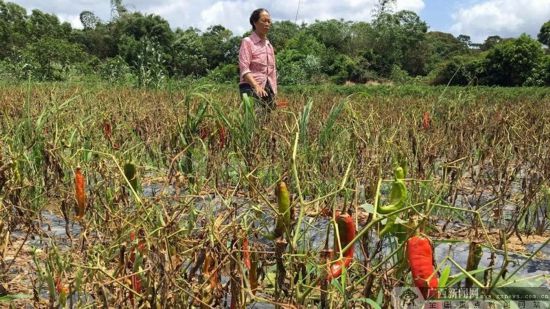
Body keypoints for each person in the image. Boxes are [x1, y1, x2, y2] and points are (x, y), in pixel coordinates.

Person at [238, 8, 277, 110]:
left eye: (269, 21)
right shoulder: (248, 42)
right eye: (264, 21)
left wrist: (274, 93)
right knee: (253, 121)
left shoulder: (269, 45)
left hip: (268, 89)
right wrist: (257, 86)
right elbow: (244, 68)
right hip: (250, 87)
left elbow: (272, 72)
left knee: (267, 122)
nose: (267, 24)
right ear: (254, 22)